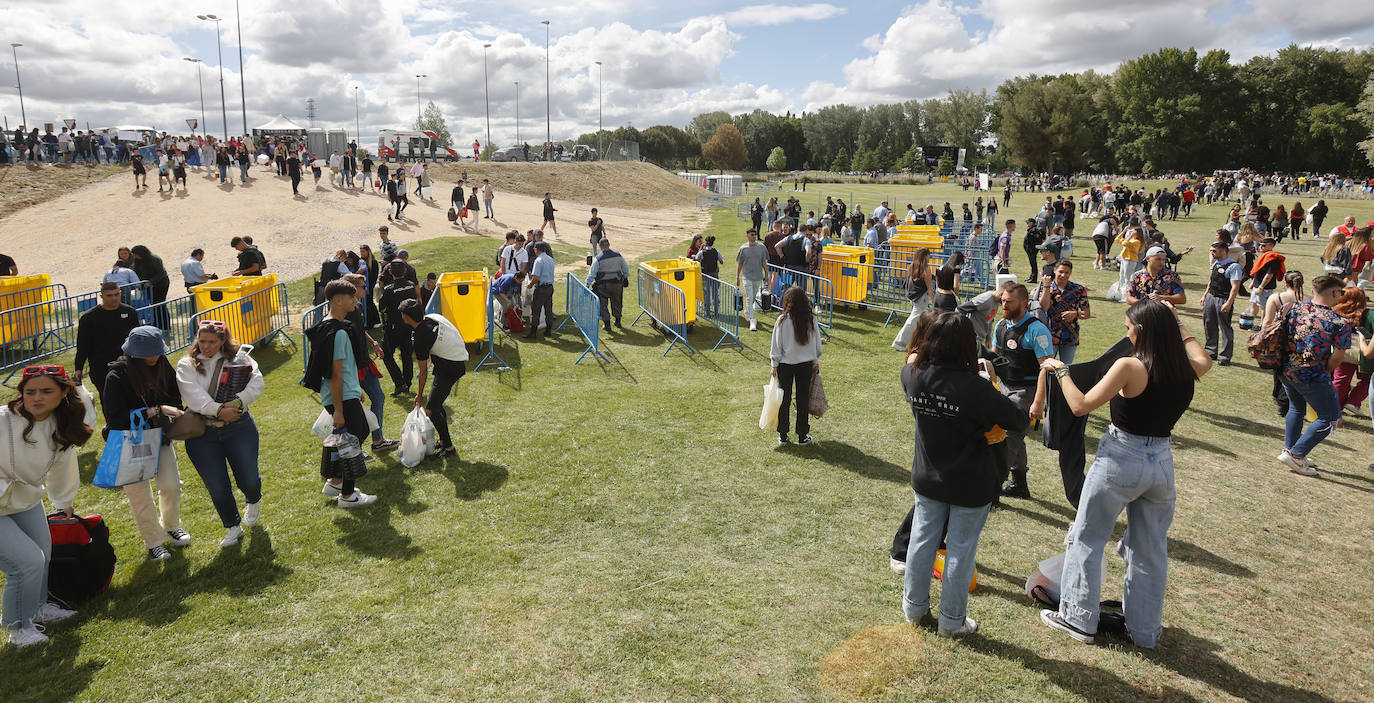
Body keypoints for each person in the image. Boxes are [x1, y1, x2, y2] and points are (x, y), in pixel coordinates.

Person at [1039, 299, 1210, 648]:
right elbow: (1204, 358)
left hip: (1121, 458)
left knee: (1087, 537)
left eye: (1129, 327)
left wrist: (1060, 371)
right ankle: (1144, 631)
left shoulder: (1130, 366)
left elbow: (1080, 405)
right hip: (1161, 463)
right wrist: (1176, 324)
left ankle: (1077, 619)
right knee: (1149, 549)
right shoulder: (1185, 366)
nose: (1126, 332)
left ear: (1142, 332)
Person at [901, 312, 1028, 635]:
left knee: (921, 541)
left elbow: (913, 360)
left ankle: (914, 609)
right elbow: (1018, 419)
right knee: (960, 550)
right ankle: (952, 621)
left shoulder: (913, 375)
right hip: (970, 482)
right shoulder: (975, 388)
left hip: (928, 476)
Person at [0, 365, 91, 648]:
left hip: (26, 500)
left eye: (46, 391)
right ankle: (19, 629)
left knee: (44, 554)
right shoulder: (3, 419)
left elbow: (63, 466)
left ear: (64, 392)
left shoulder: (62, 424)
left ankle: (39, 607)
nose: (36, 397)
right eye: (30, 392)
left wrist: (63, 502)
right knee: (26, 562)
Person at [102, 326, 189, 561]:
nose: (153, 357)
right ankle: (154, 542)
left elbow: (174, 396)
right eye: (147, 353)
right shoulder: (116, 376)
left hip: (160, 438)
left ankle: (171, 526)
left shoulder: (163, 365)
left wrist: (173, 411)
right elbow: (117, 419)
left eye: (157, 352)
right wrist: (155, 410)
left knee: (171, 485)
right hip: (130, 443)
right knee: (140, 497)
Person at [175, 321, 264, 548]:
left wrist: (236, 403)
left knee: (250, 478)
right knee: (217, 485)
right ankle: (232, 526)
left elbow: (256, 384)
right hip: (201, 433)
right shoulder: (186, 364)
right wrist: (218, 411)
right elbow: (192, 395)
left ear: (223, 340)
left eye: (212, 342)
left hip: (239, 426)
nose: (206, 346)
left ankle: (253, 500)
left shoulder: (241, 358)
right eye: (202, 341)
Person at [303, 281, 378, 508]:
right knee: (356, 435)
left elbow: (343, 370)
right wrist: (338, 410)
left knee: (351, 435)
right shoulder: (338, 333)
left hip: (346, 393)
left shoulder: (329, 327)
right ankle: (347, 495)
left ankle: (336, 481)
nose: (356, 300)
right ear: (337, 299)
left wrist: (356, 390)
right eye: (351, 297)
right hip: (340, 396)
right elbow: (334, 375)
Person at [1276, 276, 1351, 476]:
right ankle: (1297, 455)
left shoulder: (1293, 308)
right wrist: (1328, 369)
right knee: (1331, 418)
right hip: (1313, 375)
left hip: (1285, 369)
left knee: (1296, 408)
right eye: (1341, 293)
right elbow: (1338, 355)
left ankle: (1290, 450)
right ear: (1335, 292)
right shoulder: (1339, 321)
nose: (1341, 297)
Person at [992, 284, 1055, 498]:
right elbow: (993, 359)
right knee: (1012, 436)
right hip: (1003, 386)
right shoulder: (1000, 325)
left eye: (1009, 301)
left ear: (1024, 303)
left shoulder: (1037, 330)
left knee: (1010, 435)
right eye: (1003, 301)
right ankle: (1020, 484)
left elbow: (1048, 368)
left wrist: (1038, 402)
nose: (1004, 305)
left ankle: (992, 486)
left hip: (1026, 391)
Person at [400, 299, 466, 459]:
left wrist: (418, 394)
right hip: (455, 358)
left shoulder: (420, 337)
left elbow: (423, 372)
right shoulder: (432, 317)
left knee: (431, 409)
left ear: (407, 317)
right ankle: (443, 441)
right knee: (435, 403)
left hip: (450, 367)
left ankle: (449, 447)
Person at [342, 274, 397, 453]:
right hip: (353, 366)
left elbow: (360, 330)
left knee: (378, 397)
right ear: (352, 288)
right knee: (353, 408)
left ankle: (377, 440)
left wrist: (373, 343)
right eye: (363, 287)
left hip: (364, 362)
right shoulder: (344, 311)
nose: (366, 289)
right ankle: (354, 448)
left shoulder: (356, 306)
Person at [770, 286, 822, 445]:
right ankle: (802, 435)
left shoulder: (782, 320)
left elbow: (776, 345)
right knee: (803, 400)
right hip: (805, 365)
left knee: (784, 400)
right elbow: (817, 345)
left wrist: (774, 364)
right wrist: (815, 361)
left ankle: (783, 434)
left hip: (785, 365)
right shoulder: (811, 319)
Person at [73, 282, 140, 391]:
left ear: (120, 293)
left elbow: (136, 339)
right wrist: (78, 368)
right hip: (100, 366)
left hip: (127, 364)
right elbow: (83, 345)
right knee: (108, 400)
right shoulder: (89, 318)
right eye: (109, 295)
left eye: (116, 294)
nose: (114, 298)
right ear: (101, 296)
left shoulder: (130, 312)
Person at [378, 261, 421, 396]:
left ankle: (400, 382)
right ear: (405, 272)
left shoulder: (389, 289)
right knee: (406, 355)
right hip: (409, 326)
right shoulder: (411, 286)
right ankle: (406, 383)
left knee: (386, 354)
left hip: (394, 327)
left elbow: (382, 308)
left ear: (390, 273)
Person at [1039, 260, 1091, 363]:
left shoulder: (1078, 290)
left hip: (1070, 336)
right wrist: (1046, 287)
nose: (1063, 275)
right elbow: (1043, 307)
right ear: (1054, 271)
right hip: (1049, 335)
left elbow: (1087, 314)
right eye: (1061, 272)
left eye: (1067, 273)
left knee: (1065, 368)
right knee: (1047, 367)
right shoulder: (1045, 287)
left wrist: (1076, 314)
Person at [1332, 288, 1372, 415]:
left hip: (1343, 351)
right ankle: (1354, 401)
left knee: (1341, 379)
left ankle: (1334, 406)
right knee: (1368, 379)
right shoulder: (1370, 314)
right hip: (1366, 352)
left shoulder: (1336, 313)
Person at [892, 248, 934, 351]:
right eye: (929, 255)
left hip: (915, 296)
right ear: (925, 256)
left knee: (921, 321)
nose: (930, 257)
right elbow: (929, 286)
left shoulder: (913, 266)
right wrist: (934, 300)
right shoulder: (926, 269)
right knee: (913, 320)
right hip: (922, 297)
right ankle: (899, 342)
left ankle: (920, 343)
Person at [586, 238, 628, 332]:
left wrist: (587, 285)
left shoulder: (598, 258)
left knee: (603, 304)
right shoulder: (618, 255)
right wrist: (625, 277)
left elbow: (592, 274)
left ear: (600, 246)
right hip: (617, 284)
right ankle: (618, 321)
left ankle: (607, 325)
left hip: (603, 285)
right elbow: (625, 268)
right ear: (609, 245)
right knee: (617, 302)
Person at [737, 229, 768, 332]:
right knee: (750, 298)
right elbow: (740, 264)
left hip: (758, 277)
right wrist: (737, 277)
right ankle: (752, 321)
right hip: (747, 277)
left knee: (753, 297)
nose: (754, 236)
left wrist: (766, 275)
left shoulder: (761, 247)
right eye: (752, 235)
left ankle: (747, 312)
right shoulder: (743, 248)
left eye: (755, 235)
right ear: (747, 236)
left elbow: (764, 262)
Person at [525, 242, 557, 338]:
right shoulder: (551, 259)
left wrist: (530, 285)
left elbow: (536, 277)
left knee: (536, 310)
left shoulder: (538, 260)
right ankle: (548, 331)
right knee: (548, 310)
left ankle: (533, 332)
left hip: (541, 288)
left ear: (537, 250)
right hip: (550, 287)